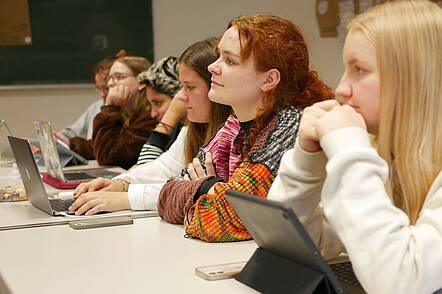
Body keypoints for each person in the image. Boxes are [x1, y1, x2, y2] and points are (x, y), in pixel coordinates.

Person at [268, 1, 442, 293]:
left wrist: (350, 152)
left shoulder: (364, 155)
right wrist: (305, 163)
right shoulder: (386, 155)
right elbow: (290, 245)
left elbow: (403, 283)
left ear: (413, 77)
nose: (341, 89)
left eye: (359, 69)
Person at [157, 15, 333, 242]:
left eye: (229, 61)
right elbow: (166, 196)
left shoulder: (290, 126)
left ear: (269, 79)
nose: (212, 67)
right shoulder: (231, 128)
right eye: (218, 56)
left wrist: (204, 186)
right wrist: (210, 189)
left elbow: (222, 220)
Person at [69, 37, 232, 216]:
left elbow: (188, 190)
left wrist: (128, 197)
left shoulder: (233, 134)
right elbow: (164, 167)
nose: (181, 97)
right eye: (181, 87)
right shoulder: (193, 128)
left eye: (190, 87)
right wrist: (119, 183)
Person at [69, 56, 157, 169]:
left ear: (141, 82)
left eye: (119, 77)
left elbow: (108, 156)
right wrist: (69, 144)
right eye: (109, 78)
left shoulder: (151, 116)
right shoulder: (125, 111)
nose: (110, 83)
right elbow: (98, 147)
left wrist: (110, 107)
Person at [57, 53, 121, 143]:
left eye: (106, 88)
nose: (102, 94)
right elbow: (73, 132)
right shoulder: (97, 106)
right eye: (99, 88)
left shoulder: (128, 111)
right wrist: (54, 139)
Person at [136, 56, 184, 165]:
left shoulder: (188, 130)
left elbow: (145, 166)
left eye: (158, 103)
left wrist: (169, 118)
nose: (153, 114)